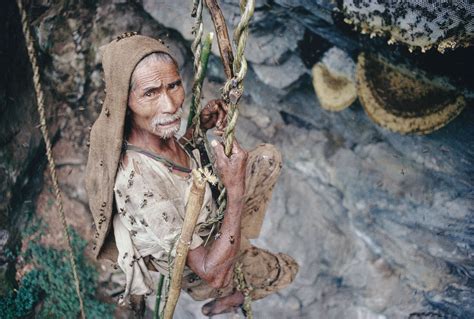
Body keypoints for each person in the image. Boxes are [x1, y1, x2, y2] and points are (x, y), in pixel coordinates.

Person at [85, 33, 298, 317]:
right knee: (285, 270)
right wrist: (234, 192)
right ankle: (226, 299)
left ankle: (236, 238)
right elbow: (212, 272)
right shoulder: (137, 184)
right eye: (150, 93)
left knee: (268, 159)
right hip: (203, 268)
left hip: (207, 217)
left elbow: (174, 167)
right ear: (125, 101)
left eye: (173, 86)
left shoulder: (154, 132)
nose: (170, 105)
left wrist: (197, 130)